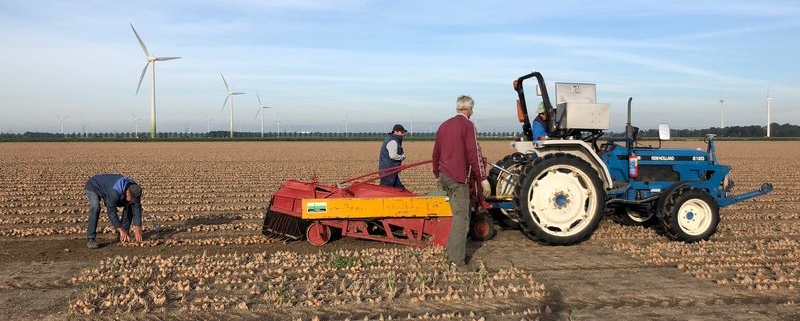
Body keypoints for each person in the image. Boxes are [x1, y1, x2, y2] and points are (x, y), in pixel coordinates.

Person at [432, 95, 491, 272]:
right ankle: (456, 263)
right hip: (458, 178)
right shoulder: (467, 125)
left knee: (460, 214)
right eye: (472, 110)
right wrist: (483, 178)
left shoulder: (444, 125)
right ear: (469, 109)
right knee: (462, 219)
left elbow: (436, 152)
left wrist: (437, 173)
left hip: (444, 176)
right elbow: (474, 153)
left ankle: (451, 254)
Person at [84, 173, 144, 249]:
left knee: (130, 205)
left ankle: (123, 237)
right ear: (127, 193)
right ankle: (91, 239)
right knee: (95, 207)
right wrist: (120, 229)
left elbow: (137, 208)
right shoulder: (115, 192)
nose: (133, 201)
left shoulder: (135, 189)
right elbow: (111, 212)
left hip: (108, 188)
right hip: (93, 186)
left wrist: (137, 228)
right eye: (132, 198)